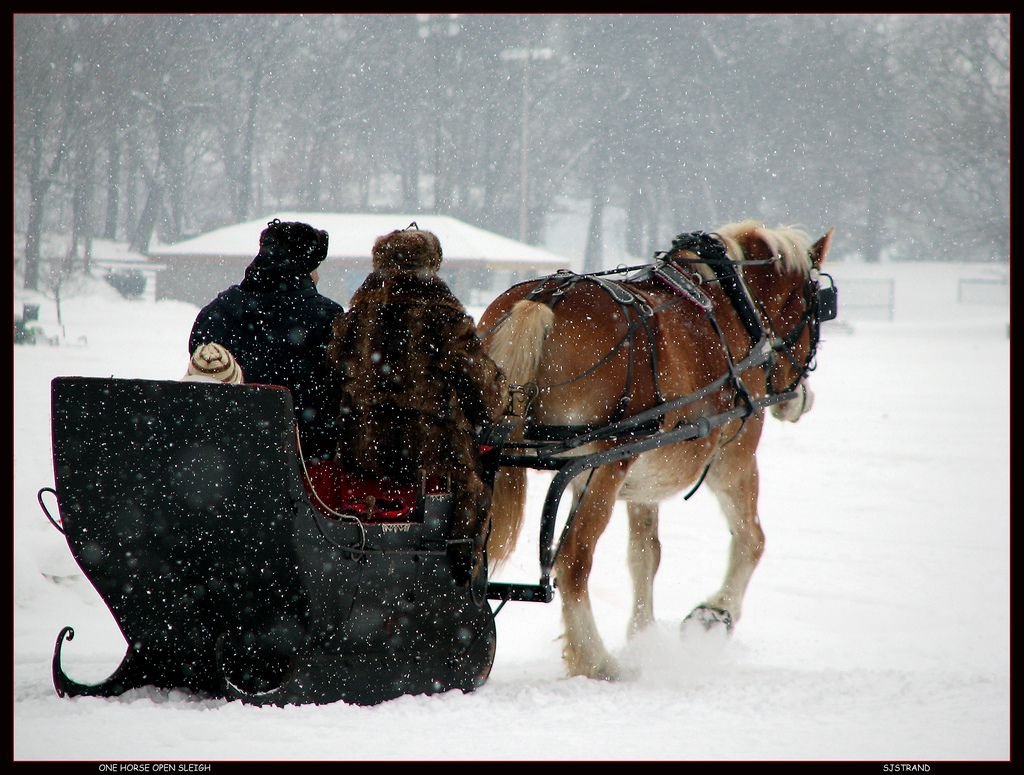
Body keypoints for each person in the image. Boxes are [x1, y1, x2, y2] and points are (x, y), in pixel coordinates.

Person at [327, 225, 506, 585]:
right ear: (432, 264)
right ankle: (458, 577)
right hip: (427, 455)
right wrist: (499, 396)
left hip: (361, 452)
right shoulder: (444, 314)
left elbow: (334, 372)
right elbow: (482, 390)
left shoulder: (355, 315)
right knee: (476, 486)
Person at [189, 218, 344, 461]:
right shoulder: (327, 319)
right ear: (305, 268)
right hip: (304, 464)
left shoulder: (217, 313)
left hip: (224, 460)